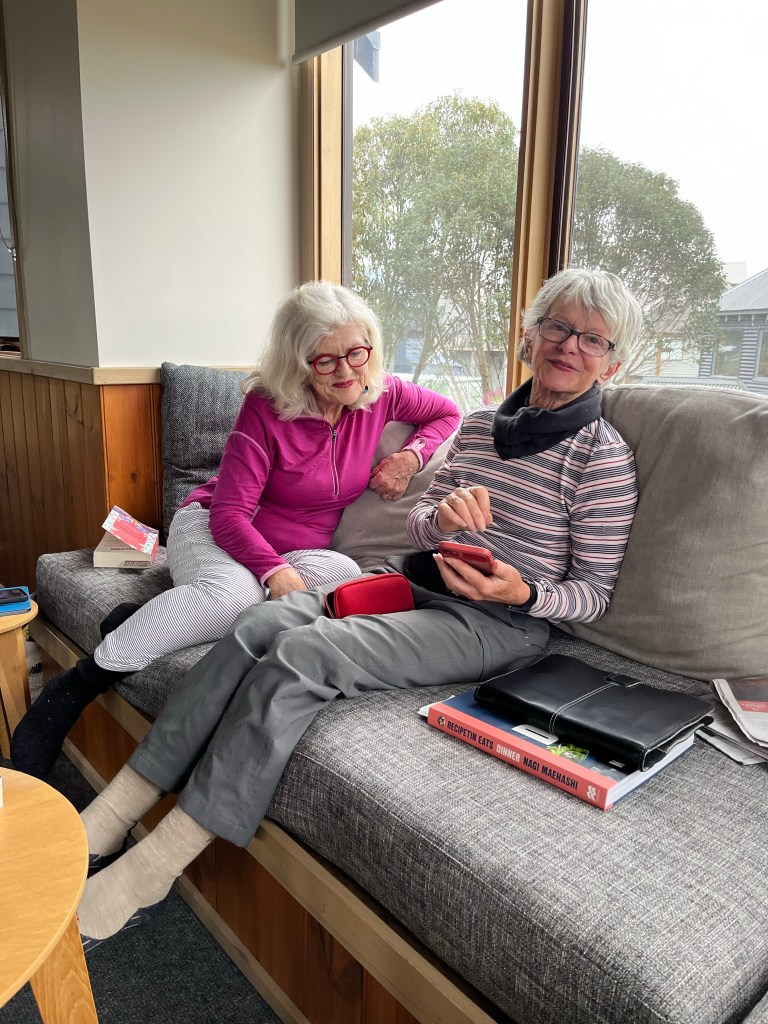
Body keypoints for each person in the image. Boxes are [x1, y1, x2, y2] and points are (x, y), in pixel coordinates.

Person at [72, 267, 643, 950]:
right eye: (557, 327)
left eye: (592, 339)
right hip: (415, 582)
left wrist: (523, 593)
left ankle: (154, 869)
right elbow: (421, 525)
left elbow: (593, 595)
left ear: (613, 363)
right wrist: (440, 520)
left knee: (305, 653)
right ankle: (112, 814)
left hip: (497, 623)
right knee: (261, 622)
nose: (570, 346)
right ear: (529, 337)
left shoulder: (602, 459)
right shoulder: (482, 426)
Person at [11, 281, 461, 779]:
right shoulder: (266, 408)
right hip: (216, 528)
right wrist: (272, 573)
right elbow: (229, 515)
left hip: (297, 551)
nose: (347, 371)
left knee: (345, 576)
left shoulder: (382, 393)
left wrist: (410, 456)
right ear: (298, 362)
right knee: (234, 594)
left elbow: (447, 413)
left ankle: (150, 620)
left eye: (357, 352)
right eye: (325, 360)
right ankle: (78, 683)